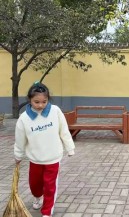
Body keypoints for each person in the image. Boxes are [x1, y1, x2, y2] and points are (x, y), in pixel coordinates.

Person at [14, 82, 75, 217]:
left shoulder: (55, 111)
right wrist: (18, 155)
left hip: (53, 157)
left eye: (44, 101)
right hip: (35, 159)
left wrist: (69, 148)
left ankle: (47, 212)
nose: (40, 105)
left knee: (50, 186)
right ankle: (37, 197)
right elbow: (20, 140)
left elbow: (63, 130)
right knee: (35, 185)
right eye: (36, 102)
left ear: (48, 100)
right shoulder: (24, 118)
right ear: (29, 100)